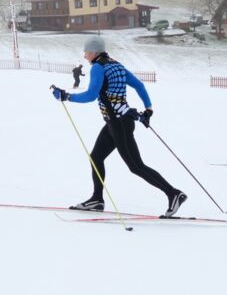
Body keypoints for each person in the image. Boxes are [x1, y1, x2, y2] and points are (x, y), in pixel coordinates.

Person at [50, 36, 187, 218]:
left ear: (94, 52)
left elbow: (91, 95)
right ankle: (97, 199)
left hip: (118, 124)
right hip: (116, 122)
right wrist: (148, 109)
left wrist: (67, 97)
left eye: (86, 52)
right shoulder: (116, 64)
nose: (84, 56)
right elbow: (139, 85)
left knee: (136, 167)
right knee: (96, 157)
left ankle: (174, 193)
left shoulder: (98, 68)